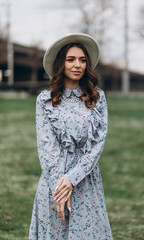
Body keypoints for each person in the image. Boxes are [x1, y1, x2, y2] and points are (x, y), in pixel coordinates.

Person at [29, 33, 114, 240]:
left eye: (82, 60)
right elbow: (47, 148)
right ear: (61, 64)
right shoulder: (45, 101)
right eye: (71, 59)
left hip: (86, 180)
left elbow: (97, 145)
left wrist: (72, 178)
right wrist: (60, 187)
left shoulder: (97, 98)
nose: (78, 65)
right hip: (54, 182)